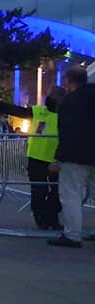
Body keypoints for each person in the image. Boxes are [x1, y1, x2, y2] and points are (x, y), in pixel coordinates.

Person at [0, 86, 66, 230]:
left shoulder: (66, 115)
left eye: (53, 95)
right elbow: (17, 111)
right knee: (39, 192)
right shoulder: (38, 111)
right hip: (36, 157)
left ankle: (50, 217)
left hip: (56, 159)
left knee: (58, 193)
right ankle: (42, 221)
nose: (49, 98)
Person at [49, 66, 95, 247]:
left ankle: (72, 234)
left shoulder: (69, 103)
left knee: (71, 195)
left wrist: (58, 158)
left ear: (68, 80)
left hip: (75, 155)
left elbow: (66, 132)